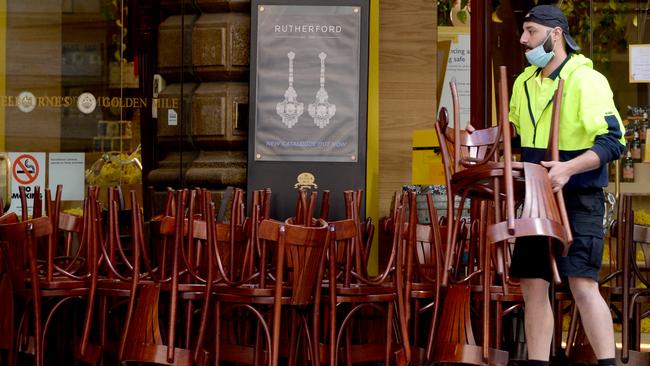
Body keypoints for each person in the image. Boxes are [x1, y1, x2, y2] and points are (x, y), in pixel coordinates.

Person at [502, 4, 627, 366]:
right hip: (535, 197)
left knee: (582, 284)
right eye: (523, 32)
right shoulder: (524, 82)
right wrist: (479, 138)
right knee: (532, 284)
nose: (523, 40)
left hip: (578, 194)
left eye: (531, 31)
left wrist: (568, 168)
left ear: (555, 34)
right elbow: (514, 133)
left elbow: (613, 141)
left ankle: (608, 363)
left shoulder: (586, 79)